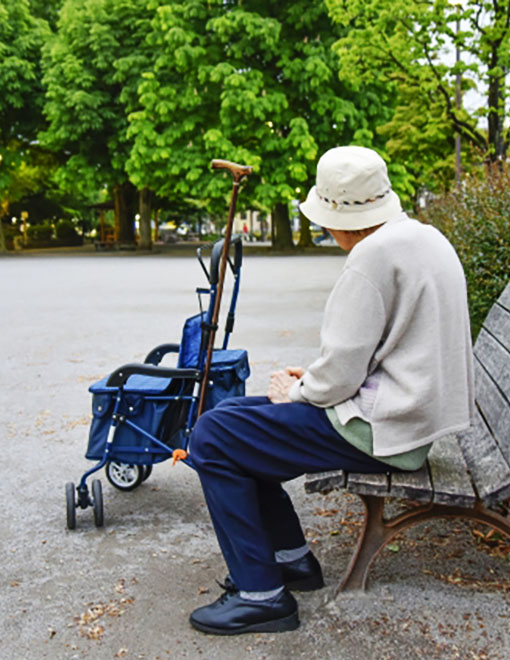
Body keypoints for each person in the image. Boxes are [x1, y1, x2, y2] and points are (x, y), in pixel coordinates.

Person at [187, 145, 475, 635]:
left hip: (383, 431)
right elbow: (367, 358)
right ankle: (292, 560)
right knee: (237, 426)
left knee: (214, 435)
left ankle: (262, 596)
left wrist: (295, 392)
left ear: (341, 216)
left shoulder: (371, 258)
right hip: (410, 418)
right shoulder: (424, 238)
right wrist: (311, 385)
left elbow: (339, 375)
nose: (324, 229)